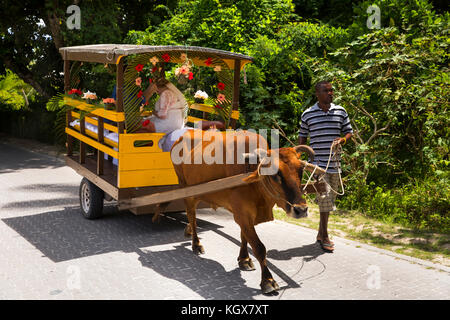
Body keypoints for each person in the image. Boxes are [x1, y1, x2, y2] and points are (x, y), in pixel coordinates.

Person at [298, 80, 353, 252]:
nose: (330, 93)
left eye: (331, 91)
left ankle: (320, 234)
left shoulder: (340, 111)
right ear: (317, 94)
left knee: (329, 201)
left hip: (335, 163)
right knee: (325, 200)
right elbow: (302, 139)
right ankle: (326, 236)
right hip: (317, 165)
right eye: (326, 91)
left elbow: (349, 131)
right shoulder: (308, 114)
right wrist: (300, 161)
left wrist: (342, 139)